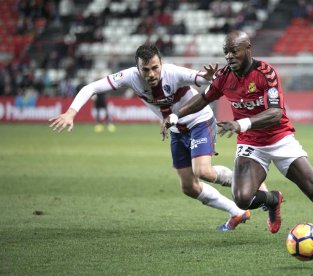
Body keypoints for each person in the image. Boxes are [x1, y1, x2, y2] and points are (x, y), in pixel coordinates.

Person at [163, 31, 313, 248]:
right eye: (226, 52)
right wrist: (176, 115)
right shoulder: (224, 76)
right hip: (251, 143)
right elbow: (203, 99)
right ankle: (272, 200)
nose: (229, 56)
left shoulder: (266, 73)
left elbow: (275, 113)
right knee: (242, 198)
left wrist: (241, 124)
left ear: (247, 49)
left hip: (279, 138)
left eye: (234, 51)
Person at [49, 44, 251, 231]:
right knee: (189, 187)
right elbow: (90, 87)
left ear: (161, 63)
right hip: (175, 130)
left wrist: (207, 76)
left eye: (155, 67)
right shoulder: (129, 77)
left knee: (203, 171)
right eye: (145, 70)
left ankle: (245, 182)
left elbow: (203, 79)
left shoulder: (173, 72)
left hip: (199, 121)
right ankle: (237, 212)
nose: (151, 74)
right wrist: (71, 112)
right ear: (138, 68)